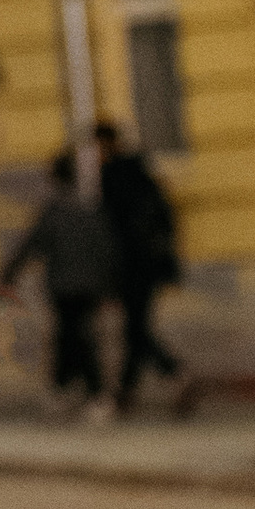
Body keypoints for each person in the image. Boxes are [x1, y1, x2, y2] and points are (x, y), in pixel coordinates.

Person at [0, 148, 119, 413]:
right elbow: (106, 249)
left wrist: (9, 274)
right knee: (77, 335)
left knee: (72, 336)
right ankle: (78, 390)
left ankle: (82, 390)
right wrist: (109, 285)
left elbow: (31, 245)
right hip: (89, 285)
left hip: (63, 285)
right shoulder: (90, 209)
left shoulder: (54, 211)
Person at [93, 117, 184, 412]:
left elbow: (112, 230)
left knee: (136, 329)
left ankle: (173, 374)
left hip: (131, 265)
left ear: (104, 144)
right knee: (136, 327)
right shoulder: (141, 172)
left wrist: (108, 271)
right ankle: (127, 392)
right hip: (149, 263)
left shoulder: (113, 176)